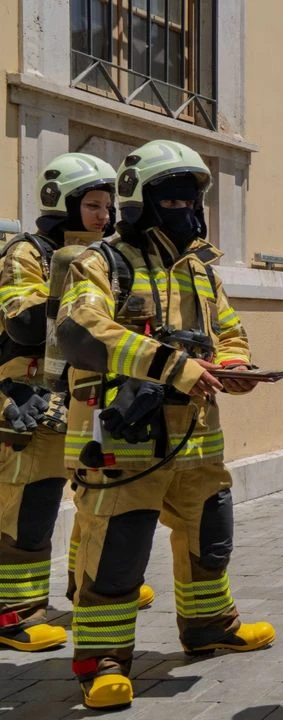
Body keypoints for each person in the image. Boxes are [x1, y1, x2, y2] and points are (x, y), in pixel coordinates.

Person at [56, 140, 271, 710]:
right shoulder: (100, 261)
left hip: (198, 437)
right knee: (119, 547)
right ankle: (101, 661)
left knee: (210, 532)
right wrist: (172, 366)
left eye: (191, 197)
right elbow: (80, 329)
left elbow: (229, 331)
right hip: (124, 437)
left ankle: (209, 627)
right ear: (140, 200)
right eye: (168, 198)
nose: (183, 207)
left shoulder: (201, 269)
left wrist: (233, 366)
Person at [0, 154, 155, 655]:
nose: (103, 216)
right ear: (59, 203)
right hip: (28, 394)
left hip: (82, 396)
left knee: (94, 494)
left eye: (108, 207)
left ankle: (83, 583)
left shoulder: (107, 256)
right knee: (30, 501)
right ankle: (15, 613)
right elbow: (22, 323)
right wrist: (69, 294)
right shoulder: (30, 252)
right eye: (91, 205)